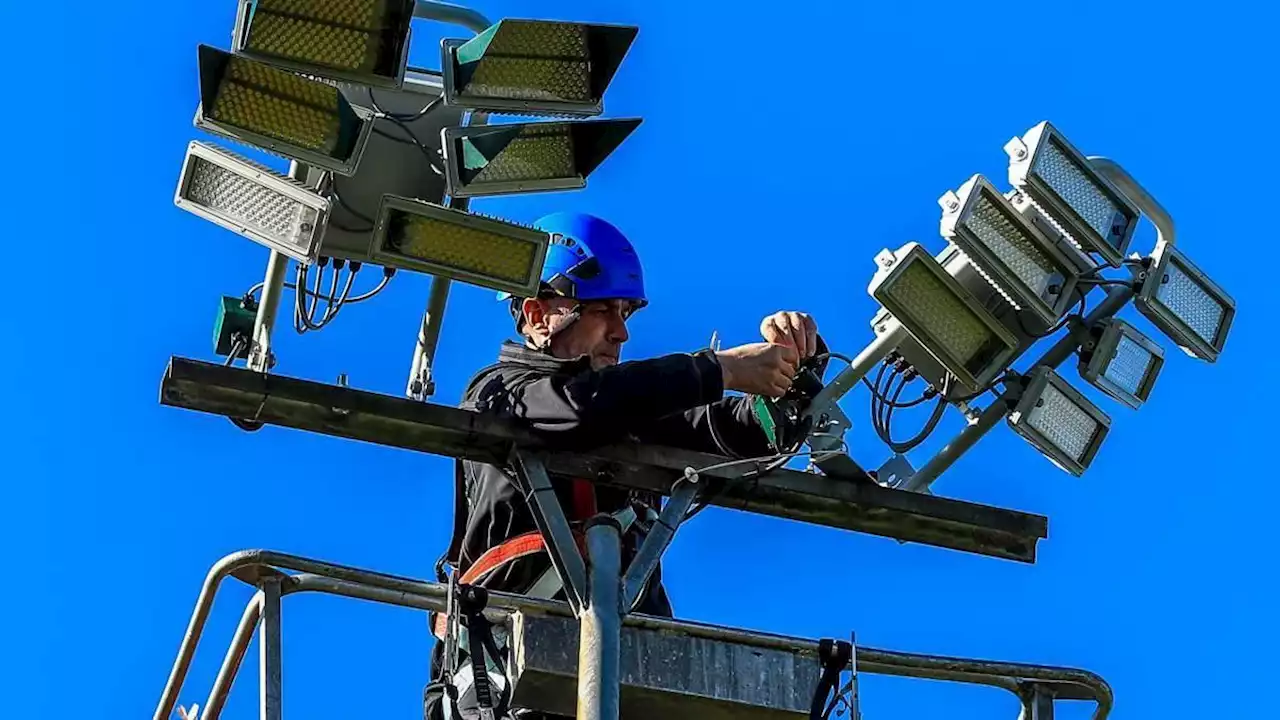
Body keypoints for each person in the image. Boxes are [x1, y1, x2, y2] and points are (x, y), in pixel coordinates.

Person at [425, 211, 822, 720]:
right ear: (536, 315)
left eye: (626, 313)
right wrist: (717, 369)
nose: (620, 333)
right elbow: (578, 409)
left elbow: (733, 430)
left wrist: (792, 368)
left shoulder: (631, 410)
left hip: (622, 676)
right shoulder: (499, 393)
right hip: (505, 677)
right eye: (601, 311)